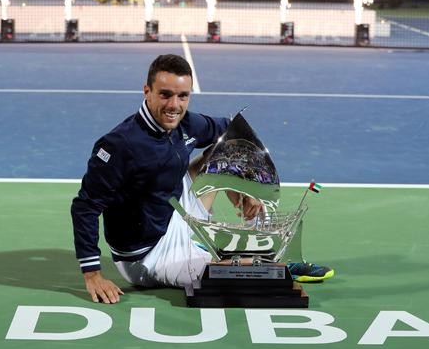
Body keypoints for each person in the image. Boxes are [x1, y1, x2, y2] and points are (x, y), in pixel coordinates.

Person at [71, 54, 334, 304]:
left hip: (171, 210)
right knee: (227, 273)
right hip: (147, 254)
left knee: (224, 148)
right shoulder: (120, 144)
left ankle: (254, 230)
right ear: (147, 91)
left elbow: (234, 130)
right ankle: (277, 265)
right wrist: (92, 273)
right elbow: (85, 207)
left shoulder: (185, 124)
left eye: (182, 96)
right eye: (165, 95)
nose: (174, 105)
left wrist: (244, 187)